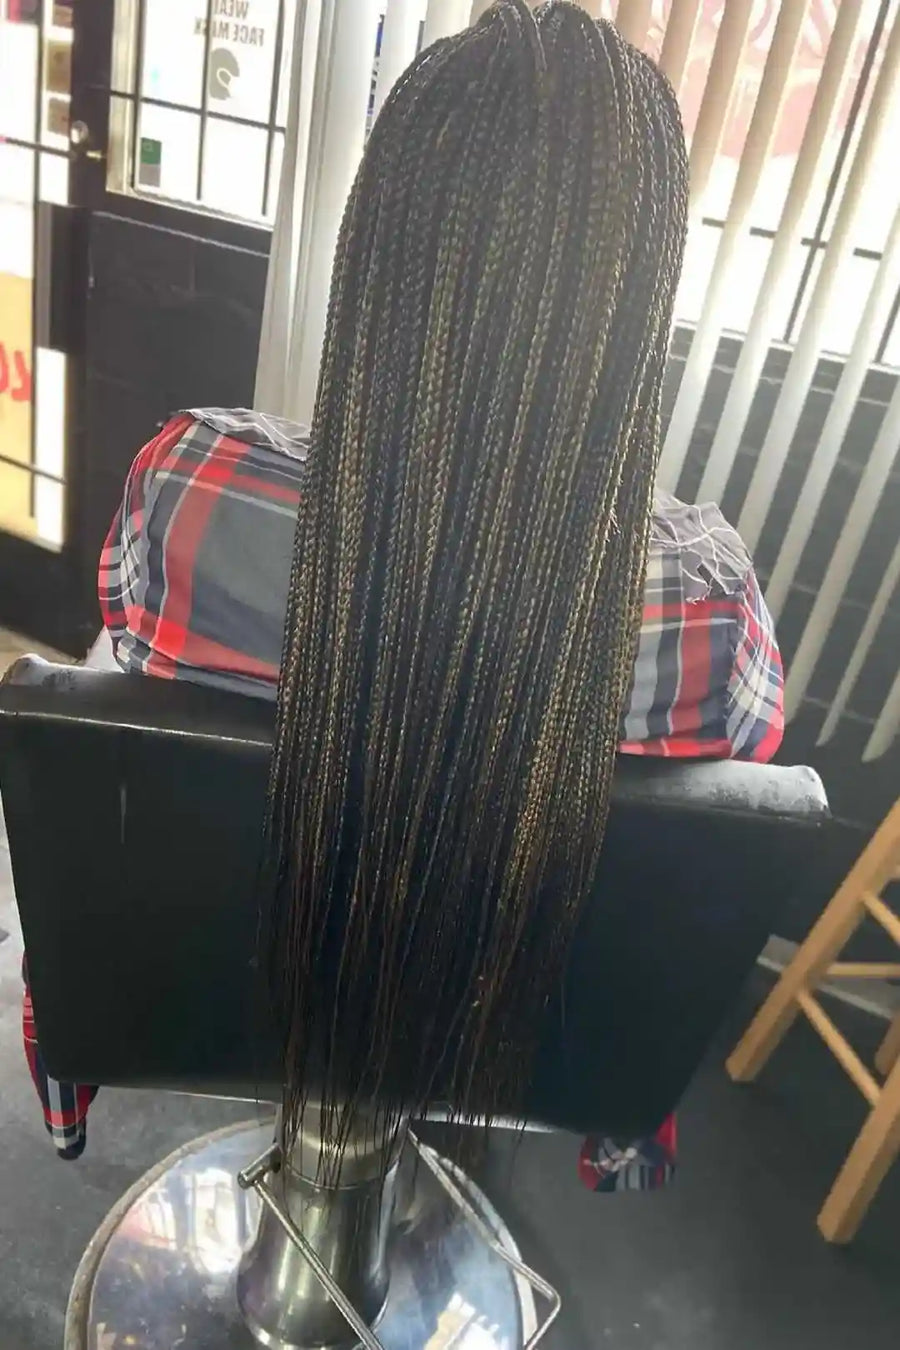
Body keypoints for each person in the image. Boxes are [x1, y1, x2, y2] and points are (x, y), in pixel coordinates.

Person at [26, 2, 783, 1182]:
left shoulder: (196, 488)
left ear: (379, 242)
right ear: (636, 300)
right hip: (504, 1039)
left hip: (226, 993)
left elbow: (128, 676)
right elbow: (709, 827)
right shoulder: (706, 606)